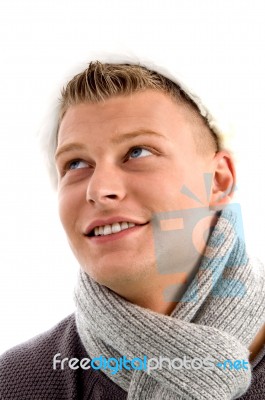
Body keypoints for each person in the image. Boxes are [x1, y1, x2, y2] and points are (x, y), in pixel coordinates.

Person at [0, 56, 265, 400]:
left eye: (137, 152)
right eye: (76, 163)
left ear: (217, 180)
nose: (99, 189)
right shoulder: (16, 385)